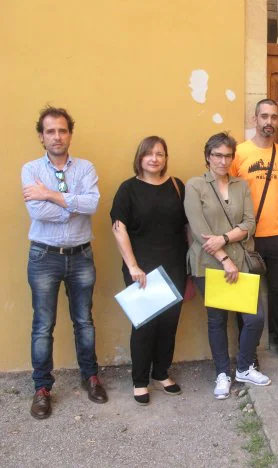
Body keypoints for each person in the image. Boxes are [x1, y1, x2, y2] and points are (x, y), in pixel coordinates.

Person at [22, 106, 107, 419]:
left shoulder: (85, 167)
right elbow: (37, 213)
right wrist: (71, 205)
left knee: (84, 320)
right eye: (50, 131)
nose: (57, 136)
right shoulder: (30, 169)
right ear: (42, 137)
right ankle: (42, 388)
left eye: (62, 130)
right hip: (44, 256)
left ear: (70, 133)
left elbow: (93, 203)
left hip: (81, 255)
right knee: (43, 326)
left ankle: (90, 377)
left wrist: (52, 195)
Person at [185, 132, 271, 399]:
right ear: (208, 157)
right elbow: (200, 230)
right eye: (217, 155)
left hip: (240, 259)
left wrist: (224, 238)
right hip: (209, 262)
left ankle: (244, 367)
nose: (223, 160)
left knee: (254, 318)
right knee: (217, 320)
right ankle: (222, 373)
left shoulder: (240, 185)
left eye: (227, 155)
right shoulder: (195, 185)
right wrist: (224, 259)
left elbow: (249, 224)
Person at [110, 136, 187, 405]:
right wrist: (132, 265)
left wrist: (189, 265)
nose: (155, 158)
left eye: (160, 153)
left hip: (175, 266)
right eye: (149, 153)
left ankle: (162, 373)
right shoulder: (128, 189)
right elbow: (119, 227)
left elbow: (186, 227)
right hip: (141, 269)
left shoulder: (177, 186)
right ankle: (140, 380)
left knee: (169, 324)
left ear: (166, 158)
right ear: (140, 157)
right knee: (144, 325)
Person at [230, 99, 278, 366]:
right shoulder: (238, 153)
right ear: (254, 119)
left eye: (273, 117)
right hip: (246, 237)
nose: (268, 122)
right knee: (247, 296)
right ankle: (248, 353)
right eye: (264, 116)